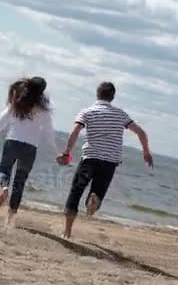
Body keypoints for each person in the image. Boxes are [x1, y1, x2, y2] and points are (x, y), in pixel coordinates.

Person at [57, 82, 153, 239]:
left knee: (76, 191)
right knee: (98, 191)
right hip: (110, 162)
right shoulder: (121, 114)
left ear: (97, 94)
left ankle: (67, 231)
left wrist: (66, 152)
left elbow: (75, 131)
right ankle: (94, 199)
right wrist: (146, 152)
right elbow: (141, 132)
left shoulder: (87, 112)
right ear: (113, 97)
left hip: (90, 159)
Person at [0, 76, 59, 228]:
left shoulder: (16, 103)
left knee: (5, 170)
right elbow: (49, 134)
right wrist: (57, 151)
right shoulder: (43, 110)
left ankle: (4, 187)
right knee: (20, 182)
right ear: (42, 91)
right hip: (30, 148)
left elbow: (0, 121)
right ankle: (10, 218)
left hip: (12, 142)